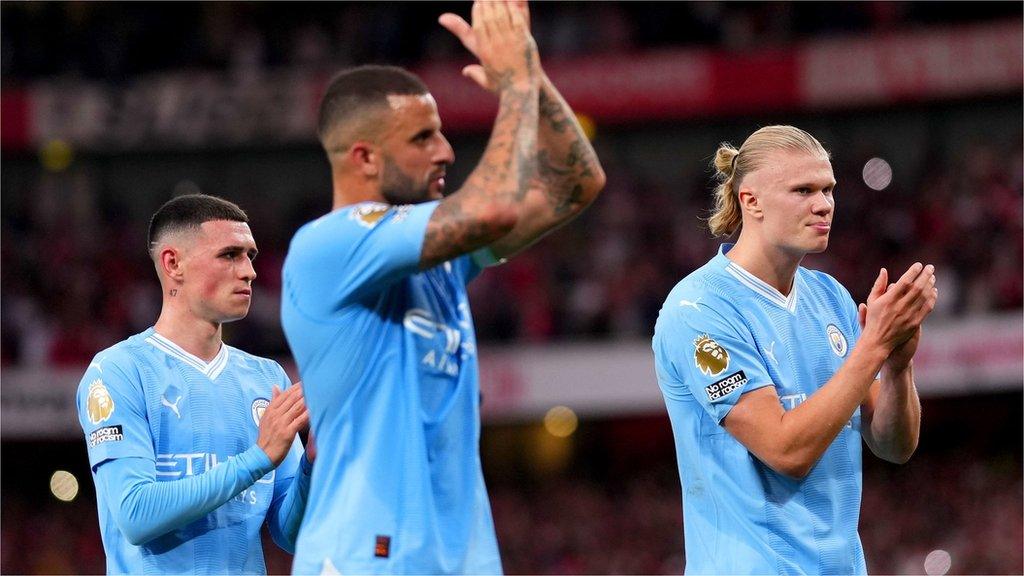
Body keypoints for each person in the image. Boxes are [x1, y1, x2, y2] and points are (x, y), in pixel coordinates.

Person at [279, 1, 605, 572]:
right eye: (423, 138)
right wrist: (516, 87)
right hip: (365, 558)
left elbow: (575, 185)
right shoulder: (326, 247)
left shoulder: (441, 261)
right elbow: (497, 206)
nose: (446, 151)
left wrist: (532, 72)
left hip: (462, 558)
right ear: (365, 157)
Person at [652, 126, 937, 574]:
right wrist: (875, 344)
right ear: (752, 201)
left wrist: (898, 366)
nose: (823, 204)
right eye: (803, 190)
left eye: (828, 189)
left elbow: (893, 444)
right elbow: (786, 450)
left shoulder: (831, 296)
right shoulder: (699, 310)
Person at [75, 194, 314, 575]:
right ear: (174, 264)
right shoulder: (118, 371)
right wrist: (258, 458)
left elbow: (290, 534)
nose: (249, 271)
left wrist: (312, 469)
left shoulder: (267, 377)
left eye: (250, 256)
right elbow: (136, 515)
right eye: (230, 255)